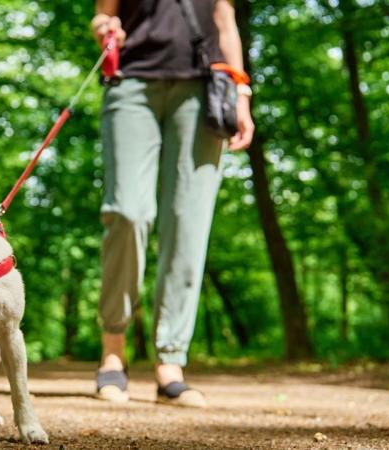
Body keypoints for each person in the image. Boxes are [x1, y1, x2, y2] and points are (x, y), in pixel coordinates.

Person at [91, 0, 254, 407]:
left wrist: (242, 93)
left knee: (188, 222)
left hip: (203, 87)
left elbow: (224, 20)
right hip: (131, 82)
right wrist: (105, 28)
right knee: (127, 212)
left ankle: (170, 363)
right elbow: (103, 12)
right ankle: (113, 351)